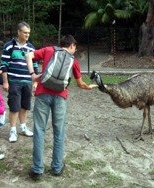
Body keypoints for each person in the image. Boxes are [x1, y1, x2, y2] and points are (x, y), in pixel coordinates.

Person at [26, 35, 97, 180]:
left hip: (42, 94)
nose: (74, 51)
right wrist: (88, 87)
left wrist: (33, 75)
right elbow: (80, 84)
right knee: (59, 132)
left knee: (39, 130)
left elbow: (28, 55)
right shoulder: (74, 61)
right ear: (71, 45)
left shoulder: (48, 50)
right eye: (75, 48)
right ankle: (57, 168)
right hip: (60, 97)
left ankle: (37, 170)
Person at [0, 21, 39, 142]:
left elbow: (35, 65)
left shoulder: (31, 48)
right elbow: (4, 65)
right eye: (25, 32)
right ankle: (13, 131)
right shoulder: (9, 46)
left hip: (27, 81)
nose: (27, 35)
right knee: (14, 107)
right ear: (18, 32)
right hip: (14, 82)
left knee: (25, 106)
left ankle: (23, 127)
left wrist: (35, 82)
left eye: (29, 33)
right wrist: (5, 82)